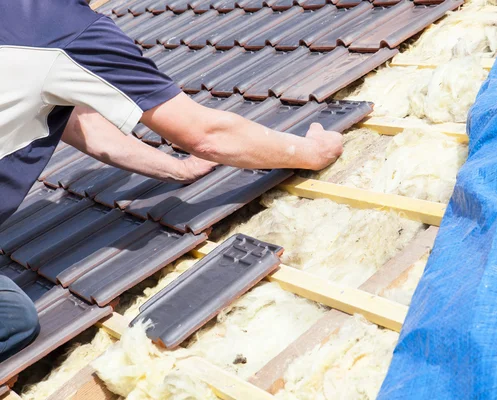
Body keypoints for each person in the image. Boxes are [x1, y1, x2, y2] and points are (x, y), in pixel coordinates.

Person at [0, 0, 343, 362]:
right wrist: (310, 153)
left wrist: (175, 169)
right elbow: (206, 134)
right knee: (14, 321)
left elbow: (76, 121)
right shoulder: (64, 28)